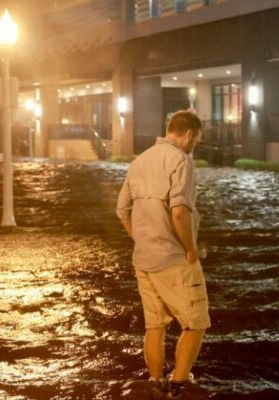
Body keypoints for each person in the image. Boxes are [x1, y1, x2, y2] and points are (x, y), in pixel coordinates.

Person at [116, 110, 209, 399]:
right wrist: (191, 249)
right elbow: (179, 211)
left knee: (154, 325)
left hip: (143, 259)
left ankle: (155, 381)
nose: (195, 146)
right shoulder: (181, 160)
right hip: (173, 259)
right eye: (197, 140)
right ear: (188, 134)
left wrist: (142, 239)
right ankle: (179, 384)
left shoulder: (139, 160)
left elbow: (121, 210)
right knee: (195, 322)